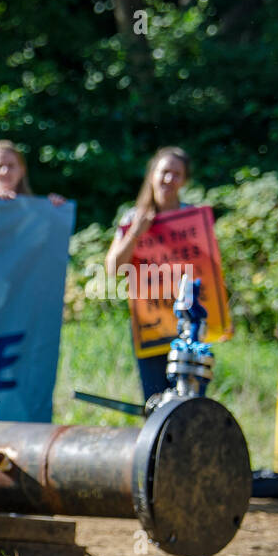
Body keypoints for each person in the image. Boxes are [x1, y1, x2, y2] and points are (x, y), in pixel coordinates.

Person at [105, 146, 194, 400]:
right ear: (152, 174)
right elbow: (113, 269)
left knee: (189, 402)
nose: (169, 179)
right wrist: (135, 233)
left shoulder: (193, 219)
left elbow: (209, 273)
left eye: (176, 174)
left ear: (184, 180)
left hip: (189, 324)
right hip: (150, 324)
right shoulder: (133, 217)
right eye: (164, 172)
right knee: (155, 403)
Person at [0, 140, 67, 206]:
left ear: (22, 170)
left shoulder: (36, 209)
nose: (5, 171)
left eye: (11, 165)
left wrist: (55, 208)